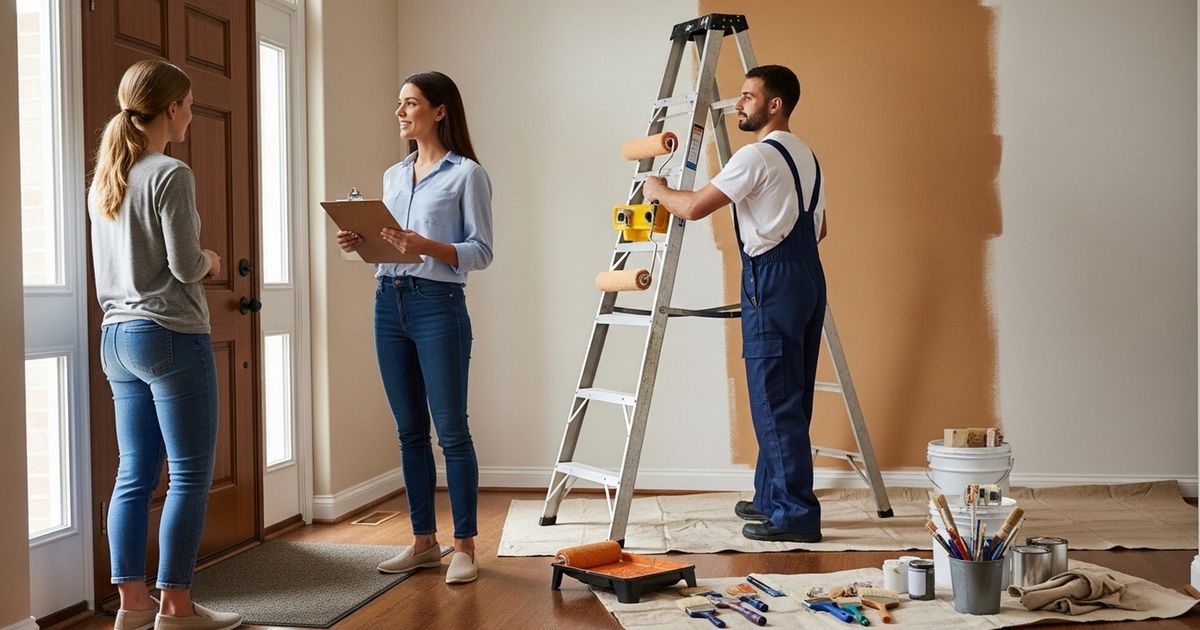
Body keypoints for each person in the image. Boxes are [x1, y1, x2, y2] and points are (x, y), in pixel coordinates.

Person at [642, 64, 827, 543]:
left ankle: (794, 516)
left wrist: (658, 190)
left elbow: (695, 207)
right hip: (806, 276)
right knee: (790, 396)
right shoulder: (808, 157)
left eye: (748, 96)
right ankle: (771, 497)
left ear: (774, 105)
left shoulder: (756, 156)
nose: (738, 104)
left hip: (773, 279)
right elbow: (821, 228)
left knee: (772, 397)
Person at [90, 59, 242, 630]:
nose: (193, 114)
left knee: (134, 475)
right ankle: (176, 606)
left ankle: (131, 605)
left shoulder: (108, 177)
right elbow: (183, 264)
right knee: (188, 475)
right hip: (170, 336)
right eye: (190, 104)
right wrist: (212, 260)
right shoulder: (169, 173)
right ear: (171, 108)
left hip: (116, 338)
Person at [337, 71, 493, 583]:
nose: (401, 112)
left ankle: (465, 546)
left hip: (438, 303)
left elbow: (481, 251)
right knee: (408, 433)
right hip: (389, 302)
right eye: (398, 104)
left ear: (440, 110)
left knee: (452, 432)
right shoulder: (392, 174)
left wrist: (424, 245)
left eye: (410, 103)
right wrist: (362, 242)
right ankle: (424, 542)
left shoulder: (466, 174)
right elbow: (391, 245)